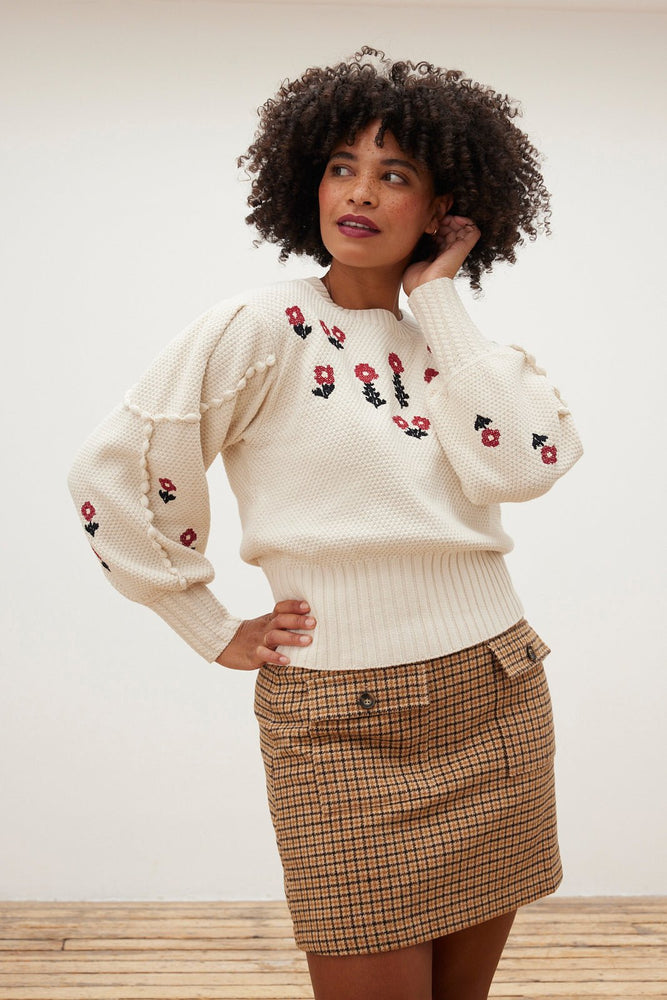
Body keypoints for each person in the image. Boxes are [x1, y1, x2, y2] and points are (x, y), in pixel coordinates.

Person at [67, 46, 583, 1000]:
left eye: (395, 174)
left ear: (443, 207)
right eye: (342, 166)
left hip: (495, 692)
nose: (360, 192)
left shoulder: (468, 352)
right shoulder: (260, 329)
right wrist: (205, 623)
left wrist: (437, 296)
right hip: (342, 722)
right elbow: (113, 470)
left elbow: (522, 466)